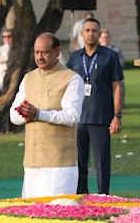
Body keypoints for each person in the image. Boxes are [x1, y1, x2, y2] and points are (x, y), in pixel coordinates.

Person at [10, 33, 85, 198]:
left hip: (59, 162)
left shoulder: (71, 79)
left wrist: (38, 114)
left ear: (57, 52)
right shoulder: (28, 78)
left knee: (57, 212)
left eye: (44, 52)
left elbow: (72, 116)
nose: (39, 57)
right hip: (32, 160)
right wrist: (26, 114)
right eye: (36, 52)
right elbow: (13, 116)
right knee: (31, 212)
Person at [67, 18, 123, 195]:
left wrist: (117, 116)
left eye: (94, 30)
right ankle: (81, 195)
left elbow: (117, 87)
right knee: (79, 162)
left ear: (99, 33)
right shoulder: (75, 57)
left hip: (101, 118)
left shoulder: (110, 56)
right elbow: (68, 87)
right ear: (82, 34)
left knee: (102, 162)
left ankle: (103, 196)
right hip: (78, 118)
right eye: (87, 30)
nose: (91, 33)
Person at [99, 29, 126, 108]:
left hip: (113, 75)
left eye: (107, 37)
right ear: (99, 39)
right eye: (103, 38)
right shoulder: (96, 51)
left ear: (110, 38)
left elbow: (121, 63)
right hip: (101, 77)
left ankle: (119, 105)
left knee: (120, 83)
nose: (105, 39)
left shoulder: (116, 50)